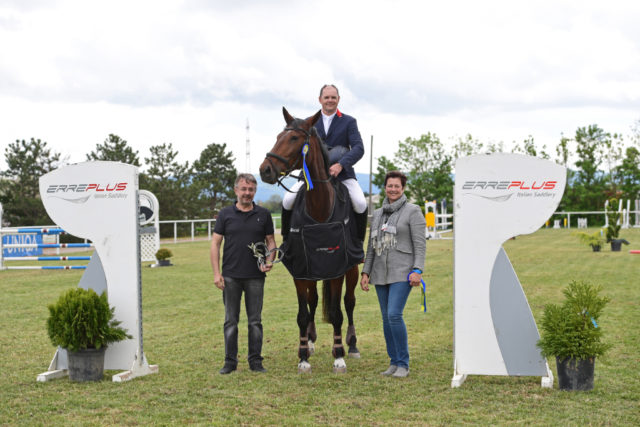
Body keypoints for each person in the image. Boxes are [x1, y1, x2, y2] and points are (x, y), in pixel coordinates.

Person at [281, 84, 368, 243]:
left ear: (338, 99)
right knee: (287, 200)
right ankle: (287, 241)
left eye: (333, 97)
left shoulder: (349, 121)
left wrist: (341, 164)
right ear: (320, 99)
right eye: (326, 97)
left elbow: (358, 148)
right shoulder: (307, 122)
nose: (330, 100)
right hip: (310, 176)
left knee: (361, 203)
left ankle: (358, 244)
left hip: (342, 174)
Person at [360, 171, 426, 378]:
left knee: (394, 315)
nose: (393, 189)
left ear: (403, 188)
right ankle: (393, 362)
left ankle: (403, 364)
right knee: (386, 319)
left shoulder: (413, 211)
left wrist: (418, 269)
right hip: (380, 272)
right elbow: (371, 246)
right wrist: (365, 272)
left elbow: (420, 244)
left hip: (403, 271)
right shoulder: (378, 214)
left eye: (397, 186)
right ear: (385, 187)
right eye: (390, 186)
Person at [210, 173, 277, 374]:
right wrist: (216, 273)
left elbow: (271, 242)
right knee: (231, 320)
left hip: (256, 276)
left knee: (255, 321)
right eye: (243, 189)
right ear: (236, 190)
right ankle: (230, 362)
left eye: (251, 190)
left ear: (254, 191)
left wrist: (269, 261)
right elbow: (215, 244)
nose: (247, 193)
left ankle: (255, 361)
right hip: (230, 276)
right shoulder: (225, 214)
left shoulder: (263, 214)